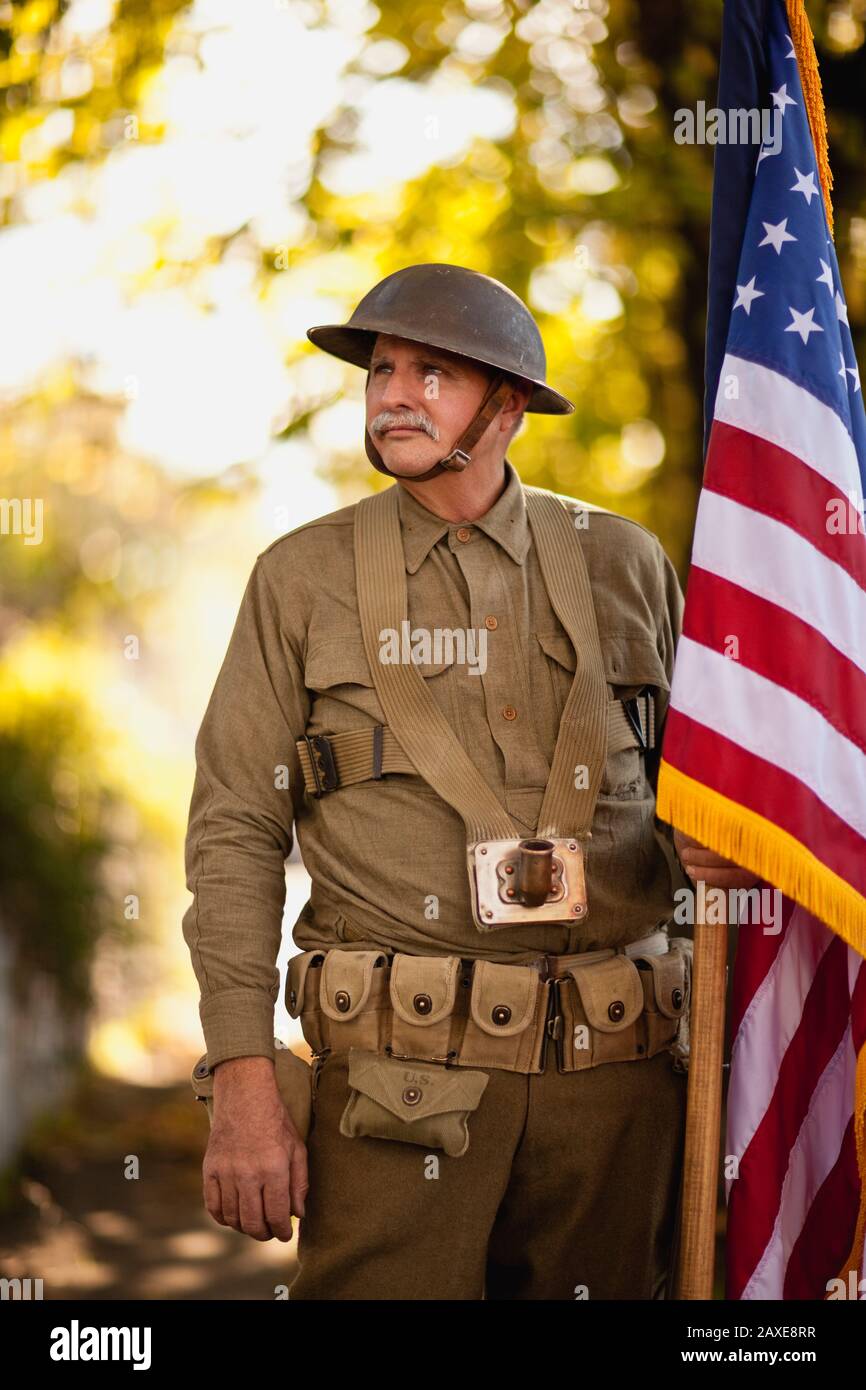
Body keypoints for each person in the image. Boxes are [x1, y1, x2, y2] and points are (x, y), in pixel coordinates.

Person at [181, 263, 758, 1300]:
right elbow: (233, 832)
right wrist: (241, 1071)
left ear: (507, 408)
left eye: (431, 372)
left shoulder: (624, 562)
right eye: (381, 369)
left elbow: (708, 799)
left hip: (617, 1093)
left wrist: (722, 853)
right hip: (395, 1097)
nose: (391, 393)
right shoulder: (298, 578)